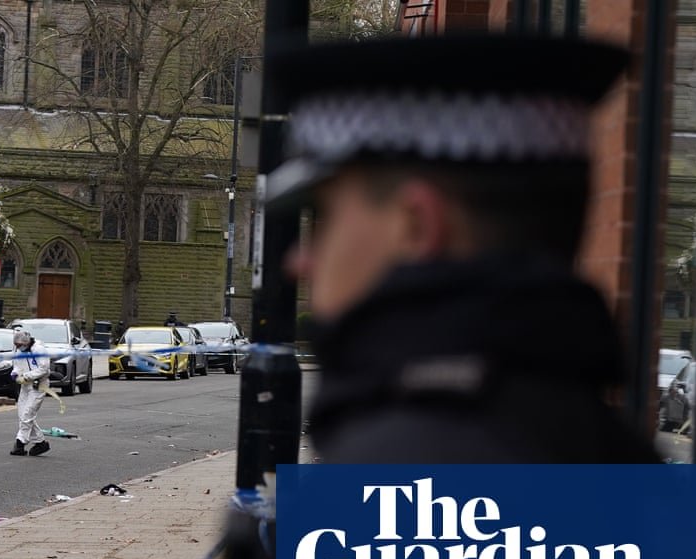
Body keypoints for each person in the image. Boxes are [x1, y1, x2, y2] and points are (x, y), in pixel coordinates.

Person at [265, 35, 660, 463]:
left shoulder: (393, 479)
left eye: (323, 218)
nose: (299, 260)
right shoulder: (622, 453)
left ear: (416, 226)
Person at [10, 329, 51, 456]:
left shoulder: (38, 350)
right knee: (22, 415)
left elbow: (44, 368)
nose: (17, 348)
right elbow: (17, 364)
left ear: (26, 343)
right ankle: (40, 443)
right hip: (25, 386)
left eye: (19, 345)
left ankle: (20, 444)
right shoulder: (19, 351)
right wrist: (15, 372)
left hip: (39, 385)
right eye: (16, 345)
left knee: (28, 414)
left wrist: (27, 376)